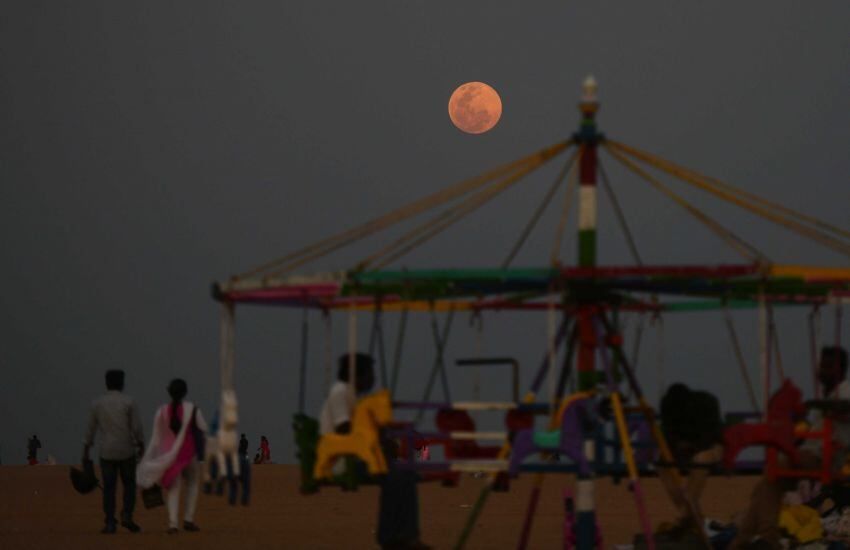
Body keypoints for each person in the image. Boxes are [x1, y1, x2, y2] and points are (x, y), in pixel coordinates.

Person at [730, 346, 850, 549]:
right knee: (766, 484)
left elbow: (845, 409)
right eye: (822, 366)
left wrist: (824, 407)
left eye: (827, 367)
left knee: (774, 471)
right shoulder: (829, 396)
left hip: (824, 458)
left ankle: (767, 538)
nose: (821, 371)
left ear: (840, 370)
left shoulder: (845, 390)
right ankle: (741, 542)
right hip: (812, 453)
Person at [320, 352, 430, 550]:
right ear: (358, 375)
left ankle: (405, 535)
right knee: (396, 476)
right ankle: (391, 536)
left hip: (355, 457)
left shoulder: (353, 397)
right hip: (342, 462)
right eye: (370, 374)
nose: (373, 379)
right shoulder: (340, 393)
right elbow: (344, 429)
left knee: (404, 475)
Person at [137, 378, 207, 534]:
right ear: (185, 392)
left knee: (174, 489)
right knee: (192, 485)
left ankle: (173, 524)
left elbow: (156, 438)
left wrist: (151, 458)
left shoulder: (161, 411)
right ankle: (188, 520)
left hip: (170, 456)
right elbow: (203, 428)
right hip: (190, 454)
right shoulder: (193, 409)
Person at [82, 370, 145, 534]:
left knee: (109, 488)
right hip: (126, 450)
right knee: (129, 485)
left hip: (106, 452)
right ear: (122, 383)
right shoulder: (129, 402)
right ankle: (127, 515)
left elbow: (90, 431)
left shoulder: (98, 404)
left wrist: (86, 451)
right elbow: (137, 428)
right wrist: (141, 445)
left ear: (106, 383)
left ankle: (110, 521)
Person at [656, 382, 724, 533]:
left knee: (701, 460)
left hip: (711, 447)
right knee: (663, 464)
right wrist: (679, 446)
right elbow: (668, 434)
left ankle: (685, 515)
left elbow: (713, 434)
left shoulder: (706, 404)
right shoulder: (670, 408)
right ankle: (691, 515)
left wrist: (692, 445)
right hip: (685, 451)